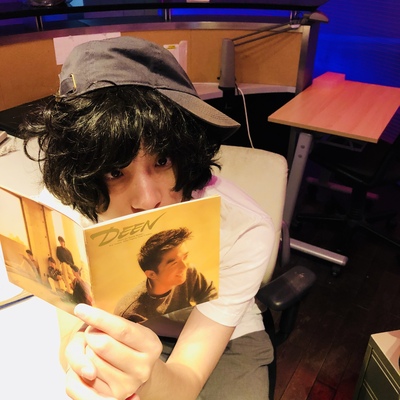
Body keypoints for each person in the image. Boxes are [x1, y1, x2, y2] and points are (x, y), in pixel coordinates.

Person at [20, 36, 275, 400]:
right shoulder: (68, 205)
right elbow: (71, 333)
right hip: (117, 327)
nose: (147, 199)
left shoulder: (241, 228)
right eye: (114, 171)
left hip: (221, 336)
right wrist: (81, 359)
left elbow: (186, 379)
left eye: (163, 160)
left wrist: (149, 378)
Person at [115, 227, 218, 324]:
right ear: (151, 274)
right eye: (174, 264)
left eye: (185, 257)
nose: (184, 266)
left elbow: (209, 293)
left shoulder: (189, 272)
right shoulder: (131, 312)